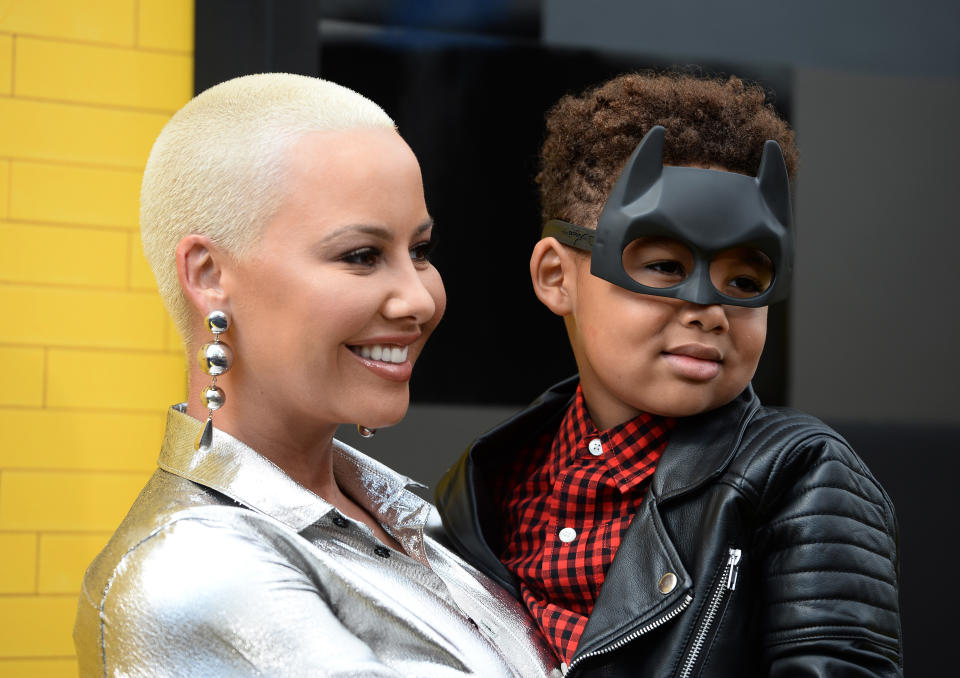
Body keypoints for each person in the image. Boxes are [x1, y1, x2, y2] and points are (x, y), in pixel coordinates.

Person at [73, 73, 558, 677]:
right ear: (206, 274)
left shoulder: (411, 518)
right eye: (361, 255)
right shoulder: (197, 568)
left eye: (422, 251)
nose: (419, 299)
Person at [435, 72, 903, 677]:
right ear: (557, 276)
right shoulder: (487, 485)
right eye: (662, 265)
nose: (710, 312)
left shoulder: (800, 476)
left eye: (744, 281)